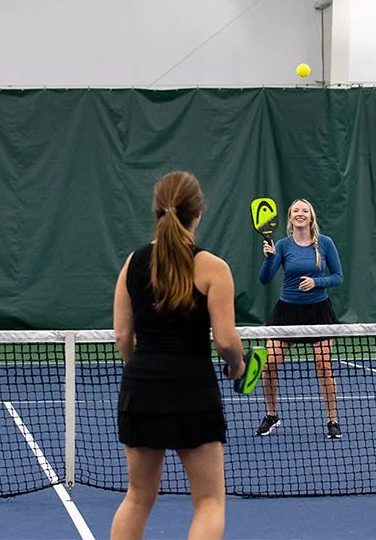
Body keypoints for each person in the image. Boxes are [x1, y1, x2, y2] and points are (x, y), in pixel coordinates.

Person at [111, 171, 244, 540]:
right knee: (209, 501)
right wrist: (237, 365)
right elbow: (226, 342)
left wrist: (142, 371)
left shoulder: (132, 264)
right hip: (193, 390)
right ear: (198, 211)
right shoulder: (214, 268)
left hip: (140, 388)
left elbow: (123, 336)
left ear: (157, 212)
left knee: (136, 498)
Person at [256, 198, 344, 439]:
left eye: (304, 210)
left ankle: (332, 419)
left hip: (318, 312)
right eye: (296, 210)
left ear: (311, 216)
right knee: (270, 363)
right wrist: (268, 258)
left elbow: (338, 277)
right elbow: (265, 279)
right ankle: (272, 415)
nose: (300, 214)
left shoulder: (325, 243)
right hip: (286, 312)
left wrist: (317, 282)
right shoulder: (282, 246)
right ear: (290, 217)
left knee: (323, 365)